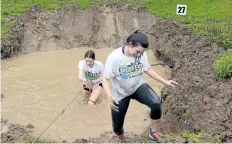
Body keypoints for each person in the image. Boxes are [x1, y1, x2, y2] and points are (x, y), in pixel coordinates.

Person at [102, 30, 178, 142]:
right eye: (137, 52)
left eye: (141, 53)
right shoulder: (114, 58)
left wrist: (165, 81)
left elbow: (147, 69)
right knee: (117, 127)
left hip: (138, 86)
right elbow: (105, 78)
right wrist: (109, 97)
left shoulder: (142, 54)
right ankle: (121, 138)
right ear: (130, 44)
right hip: (120, 93)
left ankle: (154, 132)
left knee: (156, 103)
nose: (138, 55)